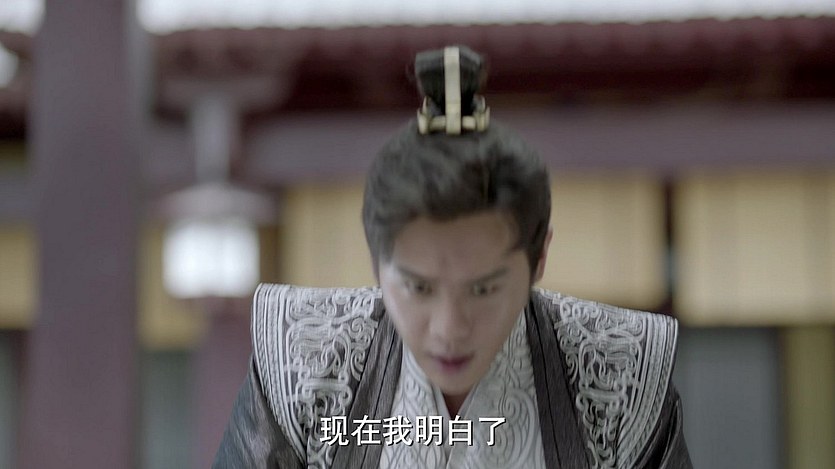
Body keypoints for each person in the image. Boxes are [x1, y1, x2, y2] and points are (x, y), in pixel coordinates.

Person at [214, 45, 692, 469]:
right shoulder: (303, 363)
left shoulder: (621, 378)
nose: (449, 328)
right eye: (418, 288)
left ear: (539, 257)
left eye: (483, 288)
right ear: (376, 260)